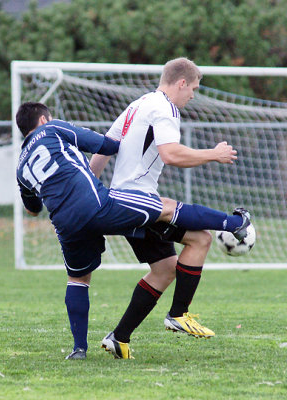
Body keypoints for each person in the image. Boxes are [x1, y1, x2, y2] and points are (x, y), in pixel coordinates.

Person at [16, 101, 250, 360]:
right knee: (166, 208)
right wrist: (126, 134)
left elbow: (33, 208)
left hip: (65, 224)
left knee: (78, 281)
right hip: (99, 205)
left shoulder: (20, 168)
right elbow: (105, 146)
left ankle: (79, 349)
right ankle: (235, 223)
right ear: (42, 120)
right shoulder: (52, 129)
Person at [90, 57, 248, 359]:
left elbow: (105, 148)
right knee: (198, 236)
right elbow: (171, 153)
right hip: (138, 200)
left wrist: (91, 189)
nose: (193, 95)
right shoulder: (165, 108)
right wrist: (213, 154)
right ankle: (179, 313)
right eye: (194, 89)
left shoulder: (137, 105)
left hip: (121, 198)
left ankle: (119, 338)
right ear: (182, 83)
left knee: (164, 269)